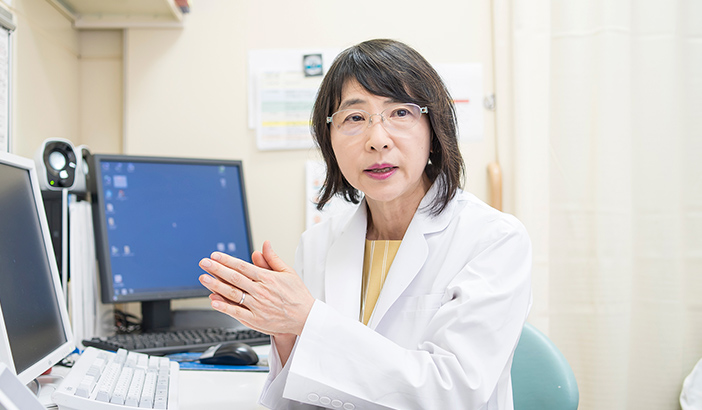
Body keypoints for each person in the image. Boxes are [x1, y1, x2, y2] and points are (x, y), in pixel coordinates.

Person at [198, 39, 532, 409]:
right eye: (355, 118)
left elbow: (454, 393)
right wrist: (286, 332)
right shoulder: (318, 243)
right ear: (329, 140)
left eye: (400, 113)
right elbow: (299, 400)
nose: (377, 140)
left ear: (434, 131)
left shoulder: (494, 240)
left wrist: (308, 319)